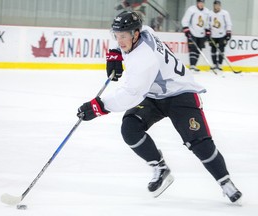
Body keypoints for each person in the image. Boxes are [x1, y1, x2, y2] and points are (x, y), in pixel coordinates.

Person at [77, 11, 242, 203]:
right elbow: (134, 33)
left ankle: (225, 182)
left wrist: (98, 106)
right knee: (130, 128)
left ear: (135, 34)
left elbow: (131, 94)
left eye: (123, 36)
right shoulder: (143, 32)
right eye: (117, 36)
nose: (120, 40)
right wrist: (115, 53)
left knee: (199, 143)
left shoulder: (144, 58)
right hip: (154, 95)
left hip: (181, 94)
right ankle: (160, 167)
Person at [181, 0, 210, 72]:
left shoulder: (207, 11)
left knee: (198, 50)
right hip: (192, 32)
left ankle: (194, 66)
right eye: (200, 2)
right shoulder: (191, 9)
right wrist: (186, 29)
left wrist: (207, 31)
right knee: (193, 49)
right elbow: (185, 20)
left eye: (202, 3)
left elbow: (207, 22)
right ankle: (192, 66)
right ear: (197, 3)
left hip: (201, 34)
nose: (201, 4)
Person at [208, 0, 232, 70]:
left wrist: (228, 32)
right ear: (214, 6)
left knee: (221, 50)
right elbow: (208, 24)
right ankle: (214, 64)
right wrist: (207, 32)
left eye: (218, 5)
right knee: (213, 50)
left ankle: (220, 65)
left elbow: (228, 23)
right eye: (216, 5)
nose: (217, 7)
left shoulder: (225, 13)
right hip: (213, 35)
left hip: (222, 35)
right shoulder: (210, 13)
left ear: (220, 6)